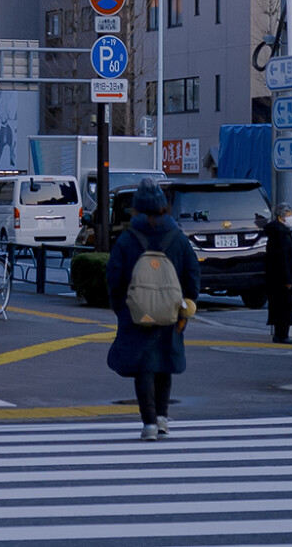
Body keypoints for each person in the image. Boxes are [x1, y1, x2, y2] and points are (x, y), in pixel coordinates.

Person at [106, 180, 200, 439]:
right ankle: (162, 418)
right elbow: (193, 273)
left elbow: (114, 276)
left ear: (137, 209)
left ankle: (148, 423)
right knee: (164, 364)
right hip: (170, 311)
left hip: (137, 314)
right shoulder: (177, 237)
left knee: (144, 367)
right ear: (163, 208)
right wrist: (187, 304)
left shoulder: (128, 239)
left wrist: (122, 309)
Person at [264, 203, 292, 344]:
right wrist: (287, 278)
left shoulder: (278, 232)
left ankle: (281, 334)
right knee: (284, 306)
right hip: (282, 278)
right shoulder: (280, 234)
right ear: (280, 217)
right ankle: (282, 335)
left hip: (275, 277)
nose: (291, 218)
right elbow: (282, 257)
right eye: (289, 215)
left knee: (280, 306)